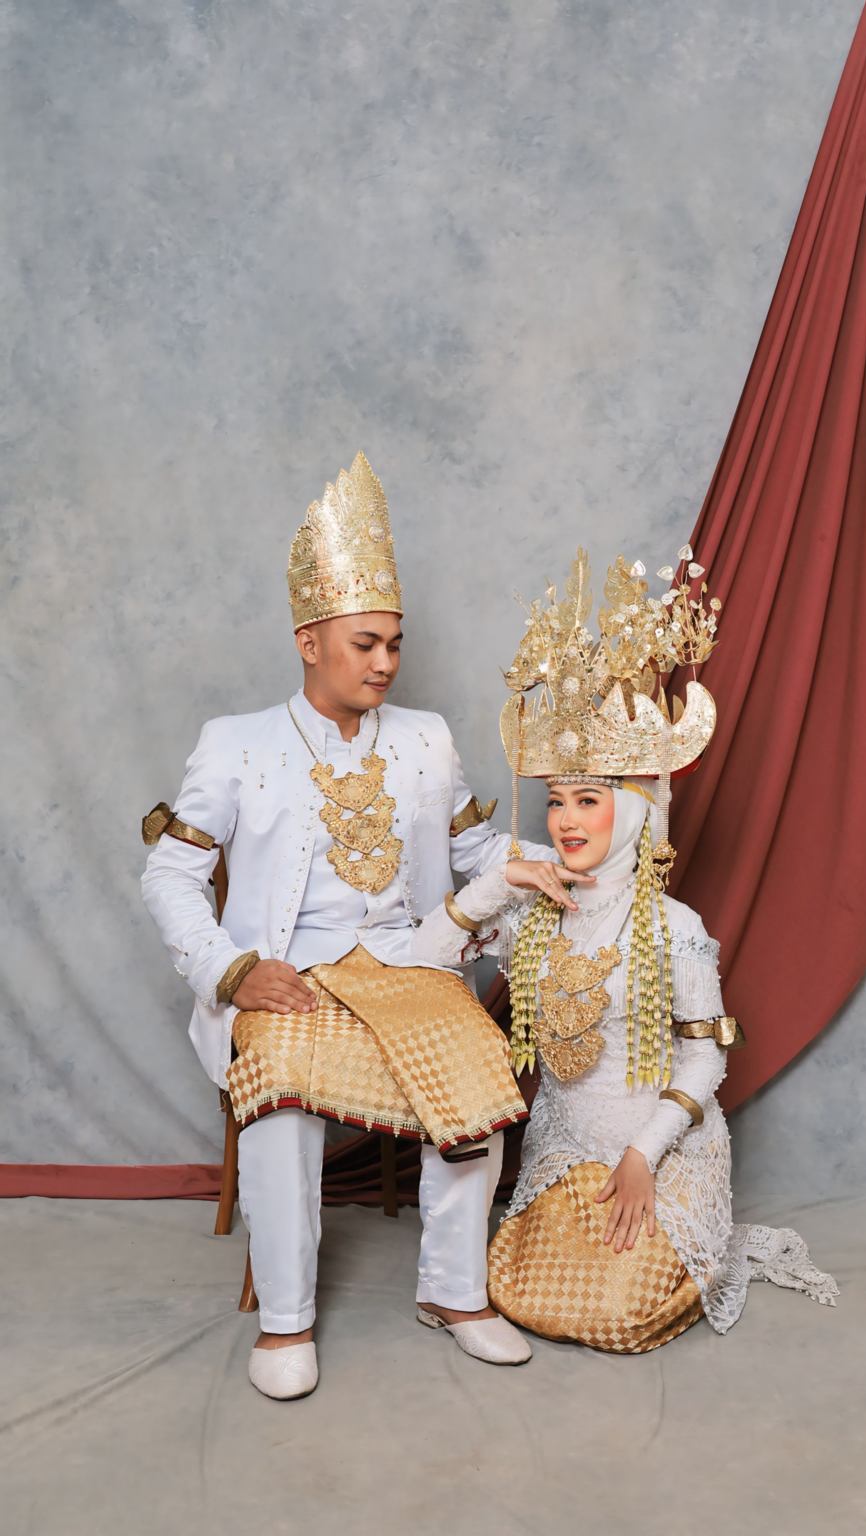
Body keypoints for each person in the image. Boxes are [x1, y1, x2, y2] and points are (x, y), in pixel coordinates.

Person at [141, 453, 580, 1398]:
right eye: (365, 643)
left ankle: (455, 1294)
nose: (385, 662)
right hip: (286, 974)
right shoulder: (236, 743)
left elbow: (474, 853)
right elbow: (171, 873)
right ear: (310, 641)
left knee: (479, 1066)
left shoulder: (427, 738)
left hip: (410, 966)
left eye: (395, 645)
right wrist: (230, 971)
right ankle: (287, 1319)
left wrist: (553, 860)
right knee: (280, 1086)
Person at [410, 548, 838, 1351]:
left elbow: (706, 1061)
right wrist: (500, 881)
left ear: (635, 811)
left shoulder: (674, 927)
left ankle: (690, 1237)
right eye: (557, 801)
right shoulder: (532, 916)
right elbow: (424, 960)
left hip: (662, 1149)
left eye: (589, 801)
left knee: (619, 1314)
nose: (567, 822)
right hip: (565, 1148)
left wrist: (643, 1157)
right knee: (512, 1288)